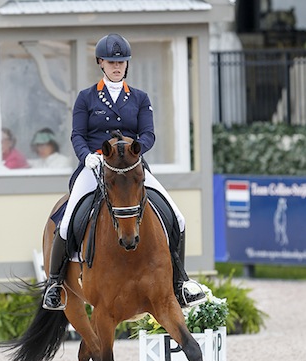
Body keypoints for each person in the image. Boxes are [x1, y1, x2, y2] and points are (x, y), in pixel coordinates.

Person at [43, 33, 206, 310]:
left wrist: (137, 149)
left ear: (126, 65)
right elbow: (77, 136)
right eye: (111, 61)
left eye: (121, 61)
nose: (116, 66)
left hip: (131, 168)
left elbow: (149, 134)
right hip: (97, 165)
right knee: (68, 218)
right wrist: (87, 157)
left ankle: (180, 283)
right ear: (101, 63)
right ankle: (55, 284)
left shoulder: (140, 98)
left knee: (177, 217)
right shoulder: (86, 98)